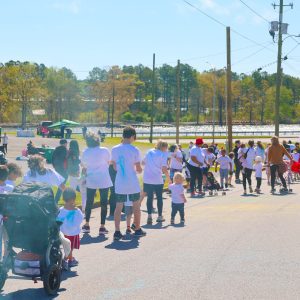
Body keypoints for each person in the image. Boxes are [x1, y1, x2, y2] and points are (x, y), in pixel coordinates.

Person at [111, 126, 146, 240]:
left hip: (120, 182)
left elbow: (115, 167)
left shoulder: (114, 149)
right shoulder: (135, 150)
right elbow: (139, 168)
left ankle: (117, 231)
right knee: (136, 206)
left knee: (118, 206)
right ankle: (137, 229)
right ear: (132, 136)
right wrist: (140, 170)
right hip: (132, 182)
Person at [81, 133, 112, 235]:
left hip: (91, 178)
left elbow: (84, 167)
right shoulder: (104, 150)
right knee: (104, 203)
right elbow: (109, 162)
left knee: (89, 202)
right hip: (104, 178)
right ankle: (102, 226)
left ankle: (87, 224)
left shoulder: (85, 152)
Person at [142, 140, 170, 225]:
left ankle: (149, 216)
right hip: (157, 178)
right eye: (166, 148)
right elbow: (164, 168)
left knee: (149, 197)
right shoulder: (163, 154)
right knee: (159, 198)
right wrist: (169, 177)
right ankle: (159, 216)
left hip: (147, 178)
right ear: (163, 147)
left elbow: (143, 162)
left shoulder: (149, 151)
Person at [57, 188, 84, 269]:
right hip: (73, 233)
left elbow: (58, 220)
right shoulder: (77, 211)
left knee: (66, 246)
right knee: (70, 248)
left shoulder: (61, 210)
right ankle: (67, 259)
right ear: (73, 199)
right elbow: (79, 220)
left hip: (63, 233)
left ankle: (70, 258)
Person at [67, 140, 87, 213]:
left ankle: (71, 208)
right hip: (80, 174)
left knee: (72, 193)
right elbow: (81, 163)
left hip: (72, 175)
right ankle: (84, 209)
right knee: (83, 193)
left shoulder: (69, 153)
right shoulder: (78, 153)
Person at [0, 165, 14, 259]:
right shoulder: (11, 187)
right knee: (7, 240)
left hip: (2, 217)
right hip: (9, 217)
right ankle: (6, 260)